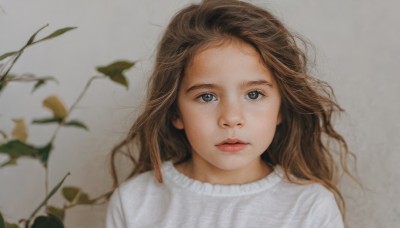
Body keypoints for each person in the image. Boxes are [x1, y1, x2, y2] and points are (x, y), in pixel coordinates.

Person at [106, 0, 355, 227]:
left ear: (282, 108)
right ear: (175, 112)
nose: (231, 118)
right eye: (207, 96)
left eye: (254, 94)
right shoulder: (134, 202)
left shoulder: (310, 207)